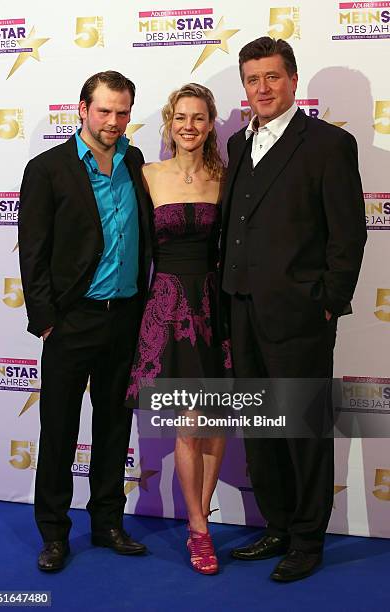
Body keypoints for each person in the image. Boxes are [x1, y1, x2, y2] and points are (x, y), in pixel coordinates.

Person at [221, 37, 367, 581]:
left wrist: (328, 300)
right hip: (242, 308)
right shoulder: (237, 144)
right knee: (261, 427)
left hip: (301, 314)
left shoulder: (328, 144)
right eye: (253, 79)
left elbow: (347, 233)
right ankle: (277, 525)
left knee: (303, 430)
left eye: (272, 77)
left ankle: (308, 539)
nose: (262, 88)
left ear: (292, 80)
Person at [18, 71, 153, 571]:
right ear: (82, 109)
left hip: (125, 319)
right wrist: (47, 320)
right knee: (58, 431)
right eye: (104, 111)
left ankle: (107, 523)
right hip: (72, 322)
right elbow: (32, 252)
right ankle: (53, 533)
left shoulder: (133, 161)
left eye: (122, 112)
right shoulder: (48, 168)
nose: (114, 121)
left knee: (115, 428)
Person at [126, 83, 231, 575]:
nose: (189, 126)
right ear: (170, 123)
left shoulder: (226, 178)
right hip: (166, 306)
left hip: (215, 306)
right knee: (189, 422)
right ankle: (198, 528)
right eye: (181, 117)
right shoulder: (146, 175)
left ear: (211, 125)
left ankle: (201, 513)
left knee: (215, 423)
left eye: (200, 118)